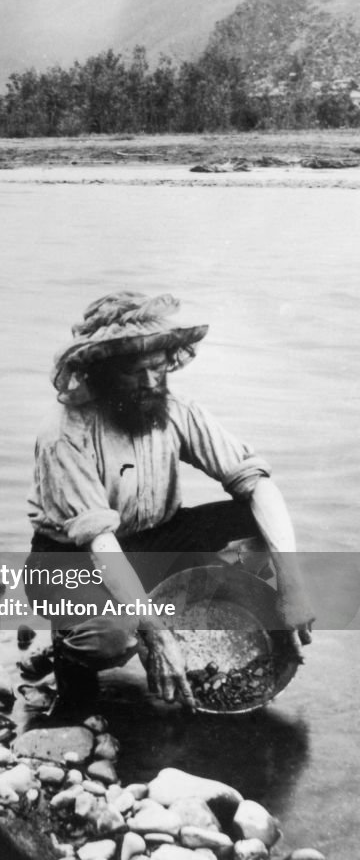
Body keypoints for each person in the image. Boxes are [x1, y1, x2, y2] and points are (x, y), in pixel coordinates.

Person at [26, 291, 314, 708]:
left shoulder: (178, 411)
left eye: (156, 368)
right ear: (103, 373)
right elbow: (99, 542)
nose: (148, 383)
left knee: (256, 522)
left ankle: (193, 623)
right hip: (68, 557)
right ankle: (69, 651)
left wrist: (292, 587)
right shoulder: (64, 433)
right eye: (132, 372)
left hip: (155, 539)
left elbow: (258, 484)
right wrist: (153, 633)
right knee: (115, 635)